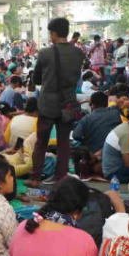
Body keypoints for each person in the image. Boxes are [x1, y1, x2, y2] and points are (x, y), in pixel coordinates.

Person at [26, 18, 85, 187]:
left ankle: (35, 178)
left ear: (54, 33)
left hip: (47, 104)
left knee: (41, 142)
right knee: (64, 143)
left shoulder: (45, 53)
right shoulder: (78, 53)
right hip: (68, 103)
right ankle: (60, 178)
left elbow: (37, 78)